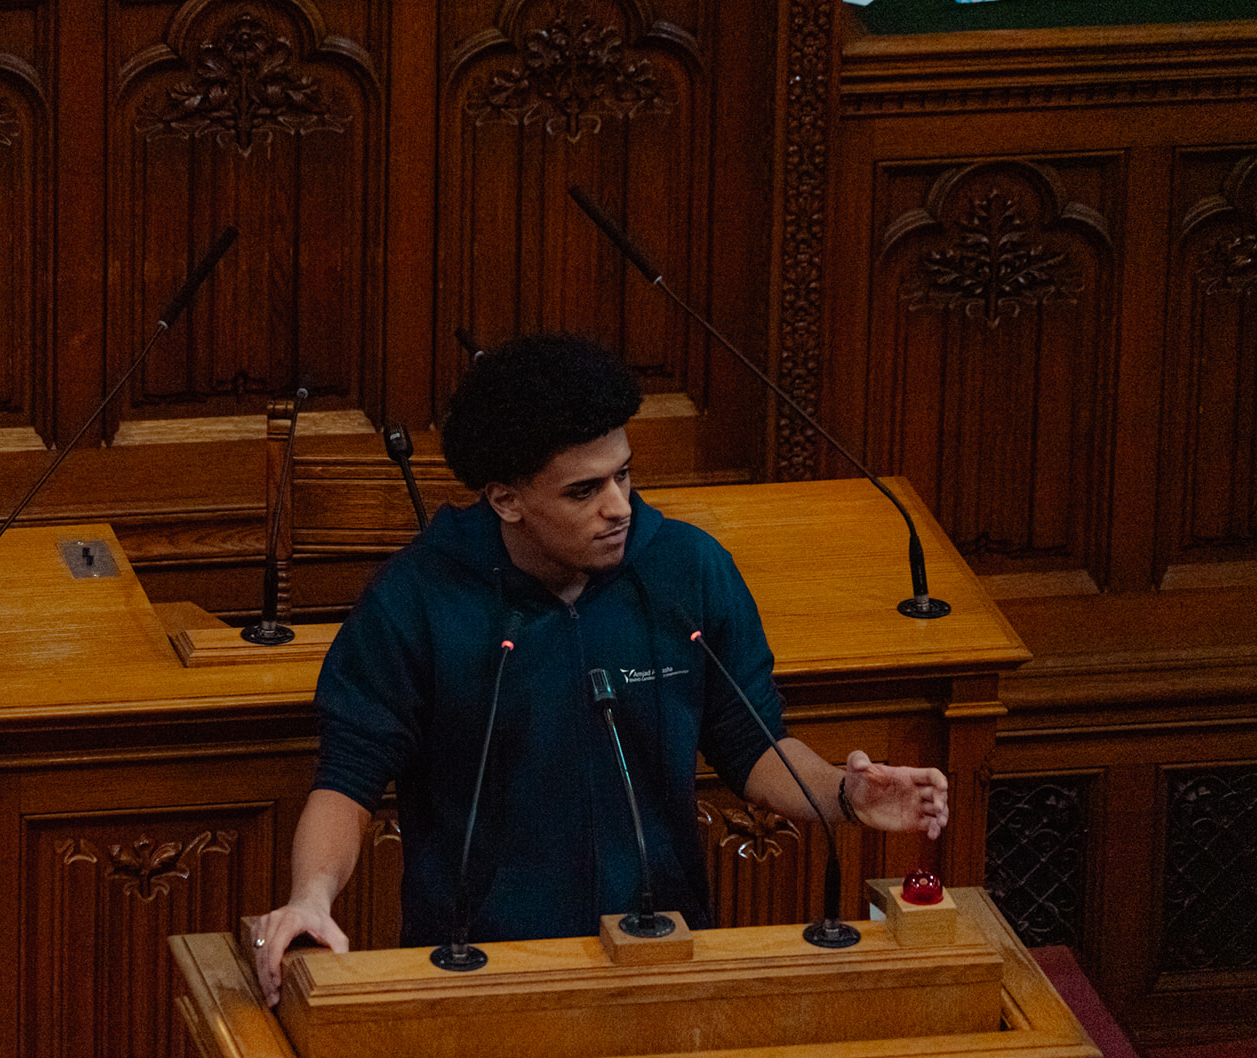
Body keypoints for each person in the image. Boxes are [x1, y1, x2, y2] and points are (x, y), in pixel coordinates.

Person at [252, 333, 948, 1005]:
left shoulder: (686, 570)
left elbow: (752, 742)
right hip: (482, 970)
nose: (619, 508)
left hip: (660, 954)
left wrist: (843, 793)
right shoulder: (415, 599)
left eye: (623, 475)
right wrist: (310, 898)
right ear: (506, 500)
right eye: (583, 491)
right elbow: (347, 782)